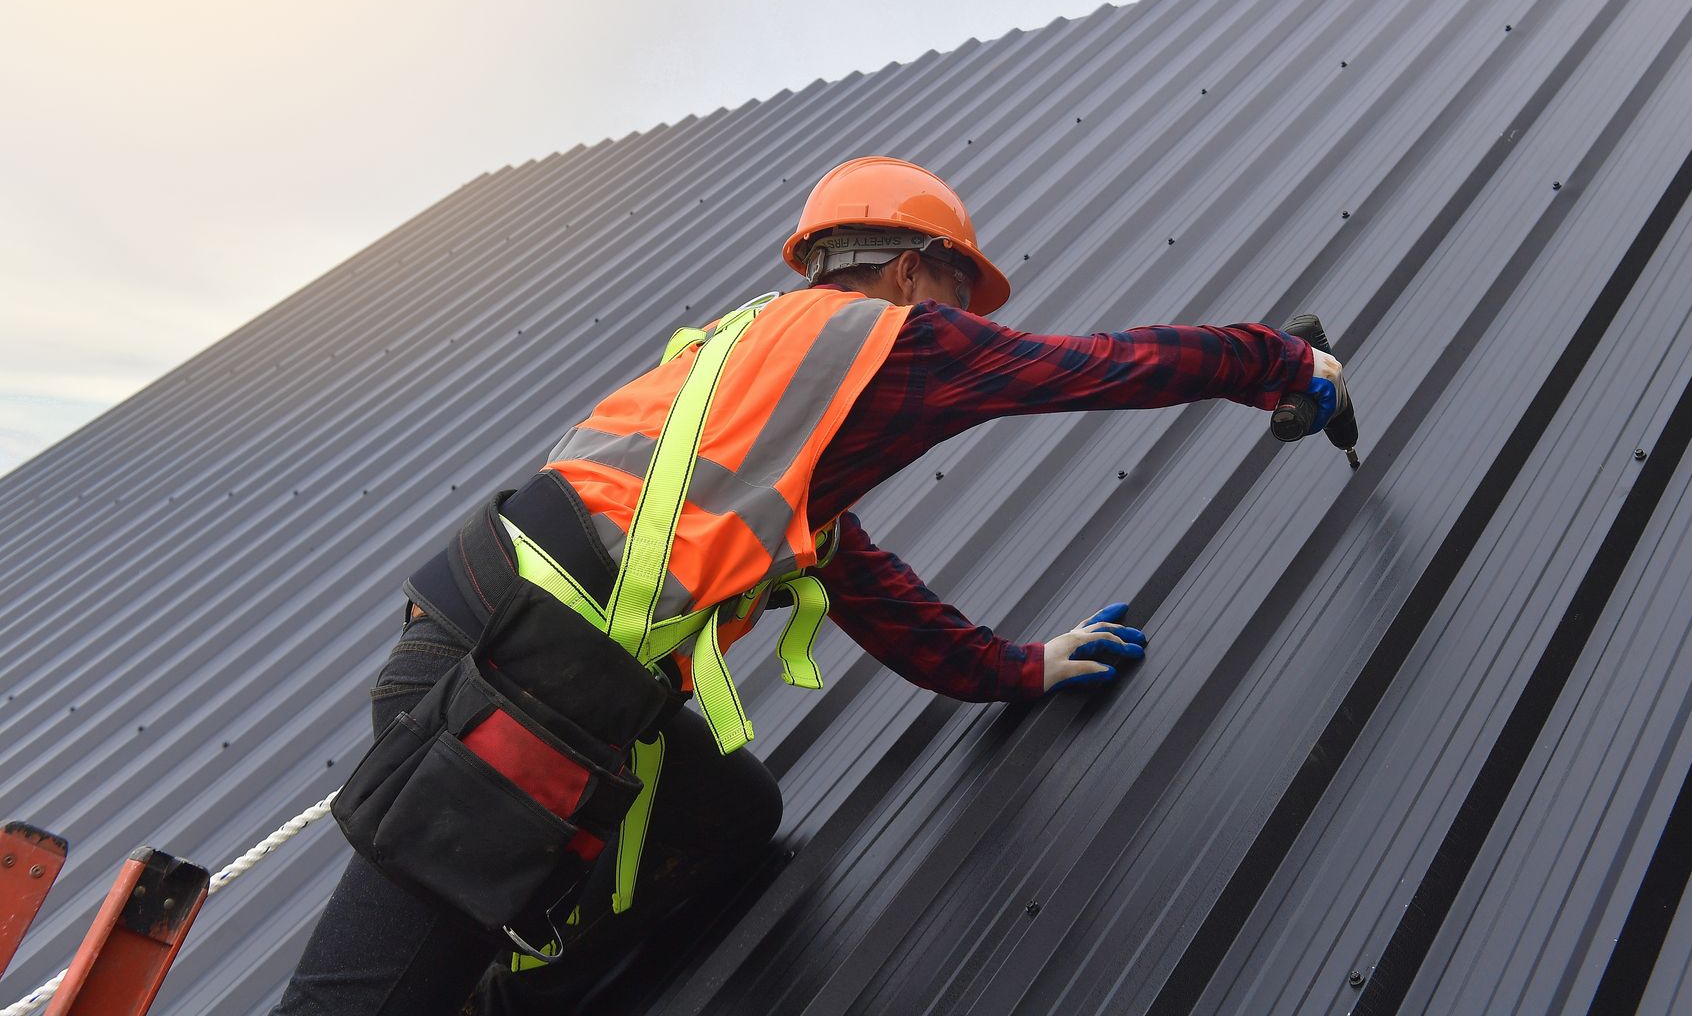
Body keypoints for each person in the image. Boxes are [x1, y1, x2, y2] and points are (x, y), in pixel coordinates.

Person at [275, 155, 1347, 1015]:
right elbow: (1102, 365)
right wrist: (1281, 365)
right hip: (506, 702)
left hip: (514, 658)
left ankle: (494, 981)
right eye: (960, 290)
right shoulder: (894, 339)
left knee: (731, 814)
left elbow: (870, 588)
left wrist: (1020, 666)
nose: (965, 319)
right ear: (911, 269)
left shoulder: (757, 382)